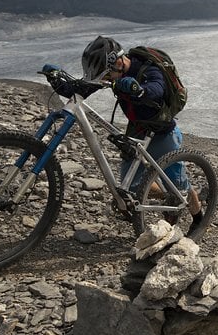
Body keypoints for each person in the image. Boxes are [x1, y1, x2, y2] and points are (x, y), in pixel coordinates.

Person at [81, 36, 201, 220]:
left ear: (118, 62)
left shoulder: (147, 68)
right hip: (137, 131)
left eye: (106, 75)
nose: (106, 80)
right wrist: (63, 84)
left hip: (163, 133)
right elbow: (89, 87)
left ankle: (198, 216)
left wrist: (139, 89)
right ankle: (165, 197)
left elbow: (157, 88)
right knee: (130, 186)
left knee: (178, 186)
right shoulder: (116, 74)